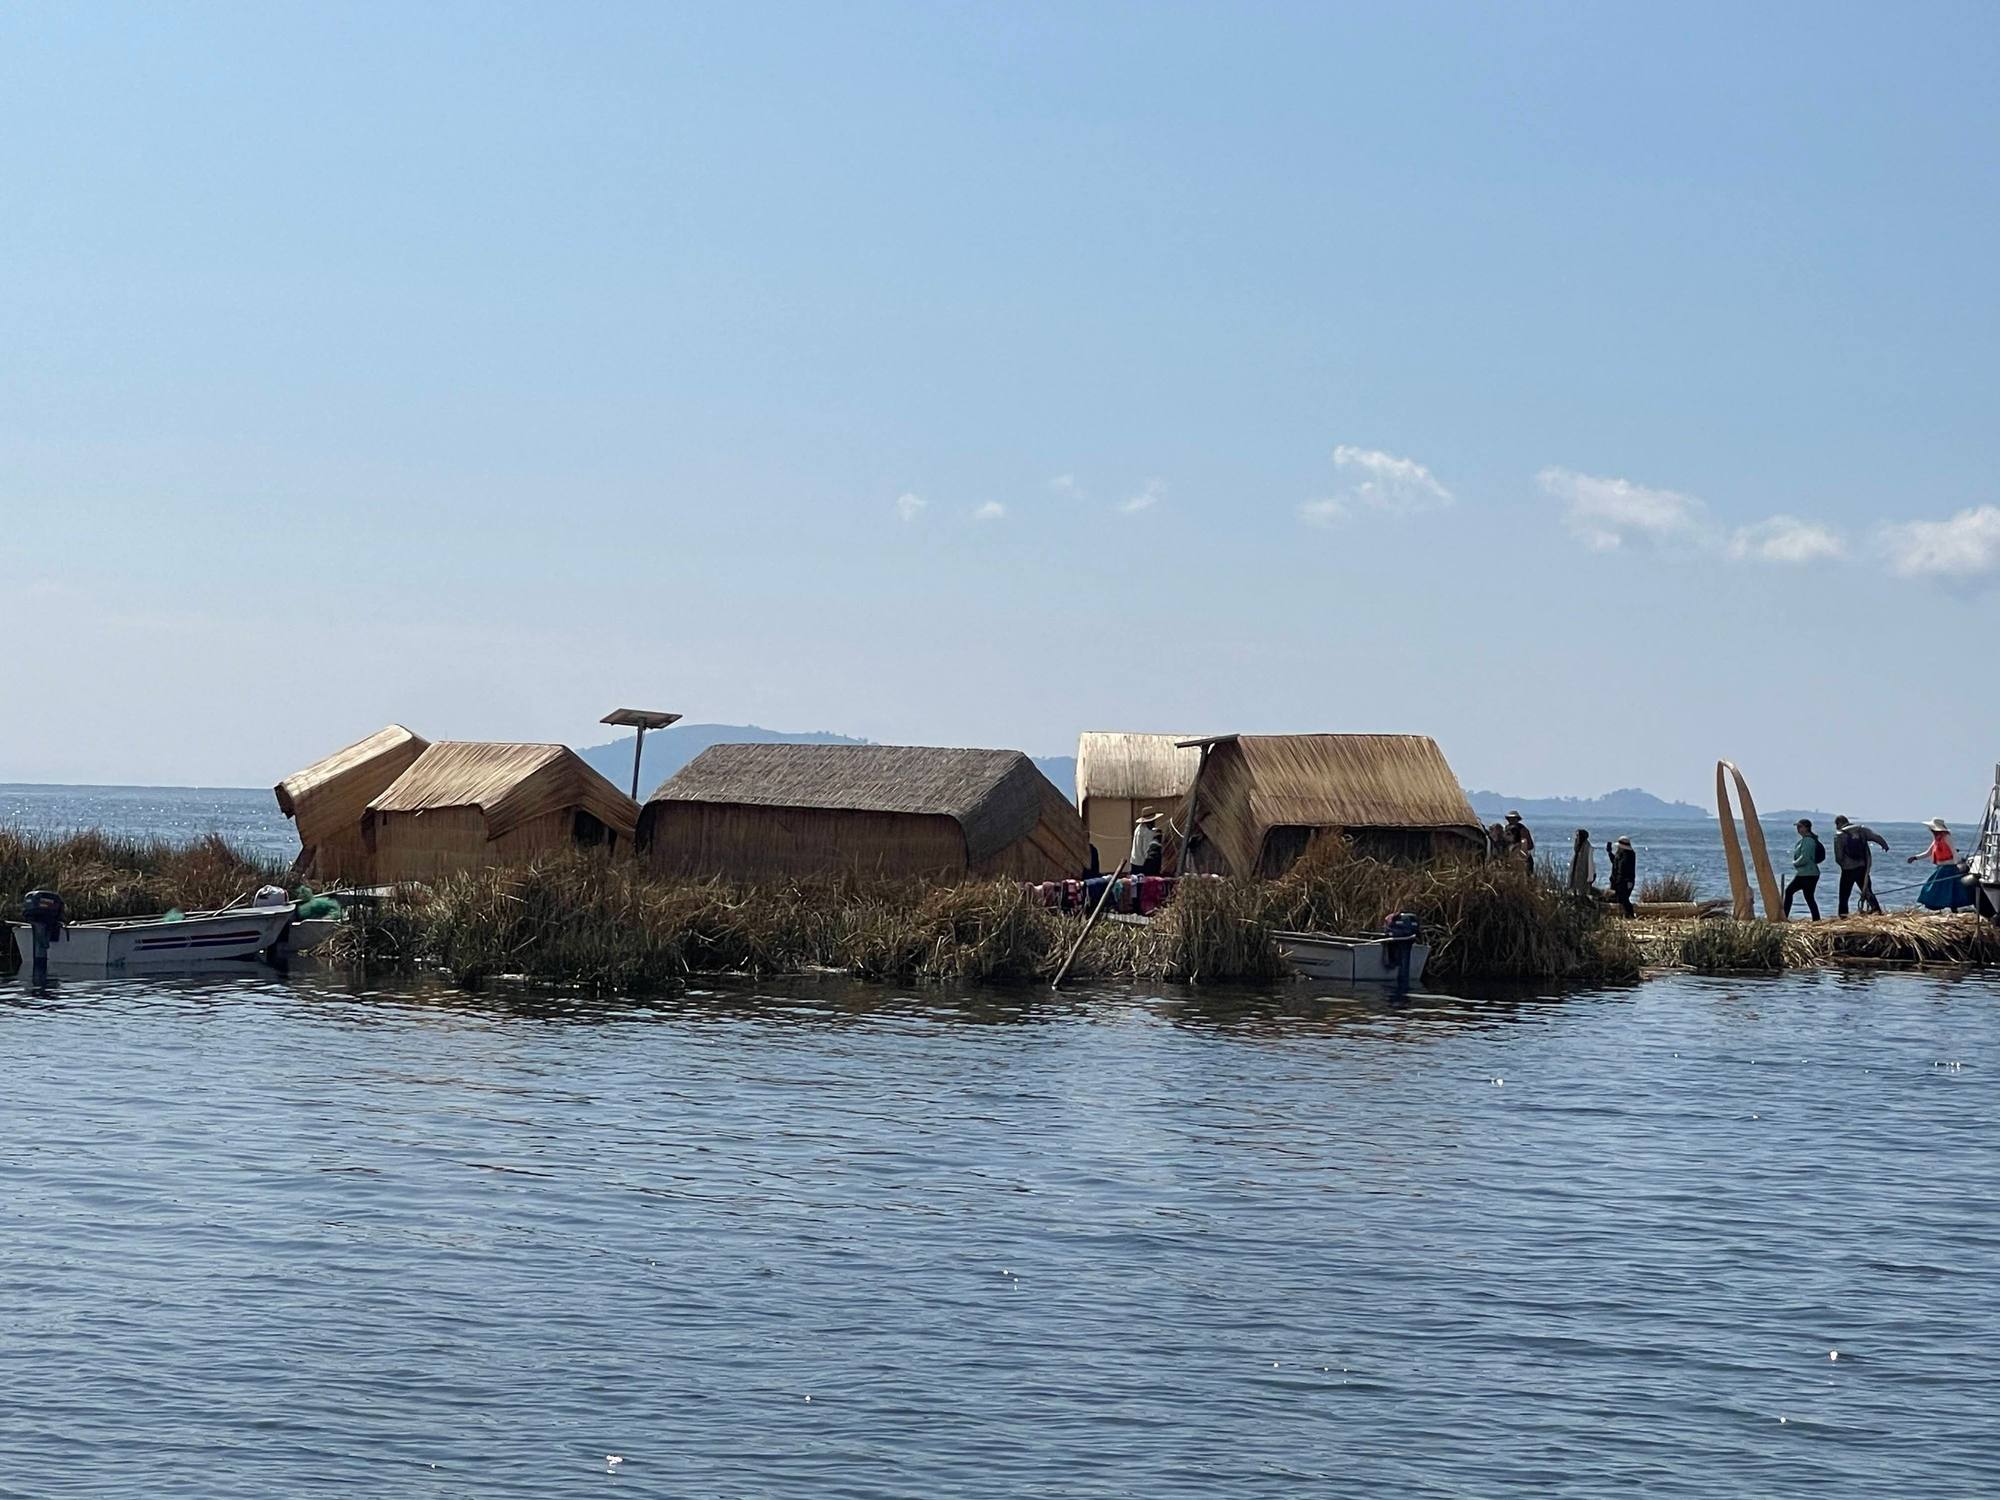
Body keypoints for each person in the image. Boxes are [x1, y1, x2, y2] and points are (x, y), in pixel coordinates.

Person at [1831, 815, 1888, 916]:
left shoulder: (1839, 835)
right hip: (1862, 867)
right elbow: (1876, 837)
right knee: (1867, 890)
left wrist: (1842, 865)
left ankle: (1843, 916)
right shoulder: (1861, 830)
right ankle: (1877, 911)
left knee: (1844, 895)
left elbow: (1838, 856)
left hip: (1848, 869)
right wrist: (1884, 845)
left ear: (1838, 824)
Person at [1784, 818, 1824, 921]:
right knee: (1808, 897)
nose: (1798, 829)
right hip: (1806, 873)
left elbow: (1805, 857)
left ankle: (1784, 916)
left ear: (1806, 828)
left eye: (1800, 827)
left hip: (1807, 874)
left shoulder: (1808, 841)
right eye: (1797, 827)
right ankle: (1816, 919)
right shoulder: (1804, 840)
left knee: (1789, 891)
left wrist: (1795, 863)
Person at [1604, 835, 1637, 917]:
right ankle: (1620, 915)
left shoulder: (1629, 855)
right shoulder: (1620, 854)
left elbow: (1627, 869)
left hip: (1625, 882)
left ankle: (1630, 914)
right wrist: (1609, 852)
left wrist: (1628, 881)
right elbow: (1615, 862)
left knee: (1624, 899)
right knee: (1617, 899)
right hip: (1616, 881)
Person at [1129, 809, 1165, 876]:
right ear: (1149, 822)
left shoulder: (1139, 828)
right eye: (1153, 821)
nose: (1154, 823)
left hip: (1135, 862)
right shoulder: (1147, 833)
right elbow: (1146, 851)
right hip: (1143, 864)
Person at [1568, 828, 1596, 897]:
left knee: (1582, 892)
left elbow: (1590, 863)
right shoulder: (1578, 848)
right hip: (1576, 873)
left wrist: (1590, 878)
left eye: (1577, 836)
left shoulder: (1587, 848)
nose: (1576, 838)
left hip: (1583, 875)